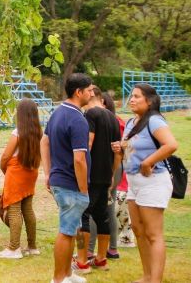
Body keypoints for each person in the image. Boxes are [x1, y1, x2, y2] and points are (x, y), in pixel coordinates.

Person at [116, 84, 178, 283]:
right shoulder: (131, 122)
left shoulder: (154, 120)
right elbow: (131, 148)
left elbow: (171, 145)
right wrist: (120, 148)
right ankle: (147, 276)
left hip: (153, 181)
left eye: (136, 96)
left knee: (153, 234)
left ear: (149, 101)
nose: (131, 99)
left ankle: (155, 280)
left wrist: (148, 161)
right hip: (134, 182)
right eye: (130, 96)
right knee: (139, 231)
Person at [41, 73, 94, 283]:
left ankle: (67, 274)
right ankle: (57, 279)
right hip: (71, 184)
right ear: (78, 92)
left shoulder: (57, 113)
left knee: (73, 229)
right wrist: (83, 189)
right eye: (89, 89)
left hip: (60, 180)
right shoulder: (77, 119)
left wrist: (48, 172)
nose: (92, 93)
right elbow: (79, 159)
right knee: (66, 231)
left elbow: (44, 142)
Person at [73, 86, 121, 275]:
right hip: (105, 175)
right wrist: (111, 173)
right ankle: (101, 259)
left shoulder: (91, 114)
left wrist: (80, 170)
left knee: (81, 216)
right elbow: (117, 152)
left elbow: (88, 144)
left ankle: (82, 260)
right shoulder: (112, 117)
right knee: (102, 217)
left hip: (91, 175)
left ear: (91, 93)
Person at [0, 98, 42, 259]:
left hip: (16, 173)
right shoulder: (38, 132)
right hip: (31, 172)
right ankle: (32, 246)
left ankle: (14, 248)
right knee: (28, 209)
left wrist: (4, 169)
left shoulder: (17, 133)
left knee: (14, 210)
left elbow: (6, 156)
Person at [88, 92, 131, 259]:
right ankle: (111, 249)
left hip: (108, 168)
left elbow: (120, 147)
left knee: (94, 208)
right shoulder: (116, 119)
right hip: (113, 167)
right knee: (108, 207)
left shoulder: (100, 118)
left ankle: (90, 250)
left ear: (102, 102)